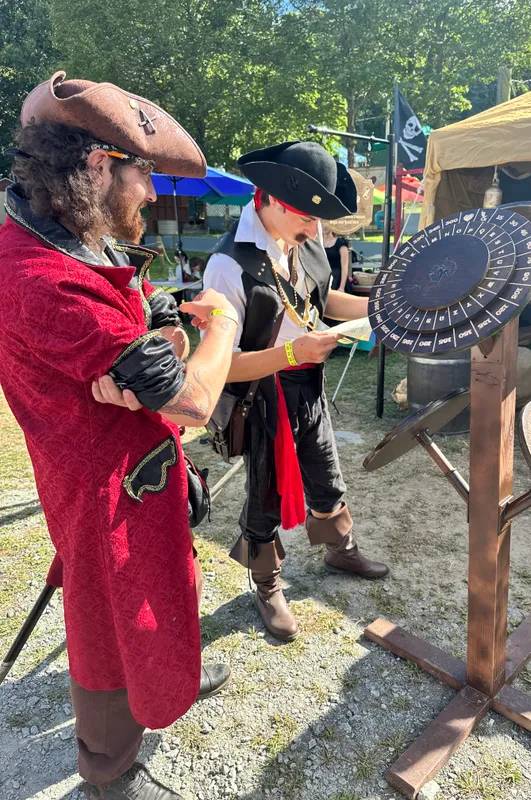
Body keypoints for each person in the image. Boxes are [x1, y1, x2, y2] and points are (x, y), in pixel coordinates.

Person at [0, 71, 240, 800]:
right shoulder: (40, 276)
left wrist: (157, 346)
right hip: (102, 490)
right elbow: (194, 402)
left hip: (138, 469)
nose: (153, 195)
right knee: (109, 620)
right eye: (146, 175)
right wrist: (223, 325)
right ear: (101, 165)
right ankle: (106, 768)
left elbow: (145, 328)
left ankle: (169, 678)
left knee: (165, 591)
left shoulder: (72, 238)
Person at [202, 141, 390, 641]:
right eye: (308, 218)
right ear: (272, 200)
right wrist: (292, 352)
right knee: (265, 493)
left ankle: (340, 550)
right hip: (260, 393)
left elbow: (322, 300)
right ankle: (266, 583)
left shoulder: (302, 238)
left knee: (326, 475)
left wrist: (382, 308)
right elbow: (221, 365)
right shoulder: (227, 265)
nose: (316, 230)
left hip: (307, 379)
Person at [322, 224, 350, 292]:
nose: (324, 226)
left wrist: (342, 287)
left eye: (326, 224)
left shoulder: (340, 242)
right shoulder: (318, 244)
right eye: (322, 224)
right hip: (323, 280)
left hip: (337, 280)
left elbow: (345, 266)